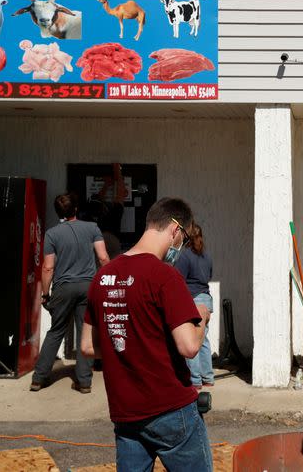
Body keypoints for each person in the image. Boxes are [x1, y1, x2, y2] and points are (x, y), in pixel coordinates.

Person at [81, 197, 213, 471]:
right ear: (175, 230)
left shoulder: (103, 277)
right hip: (171, 409)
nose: (182, 247)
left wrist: (129, 343)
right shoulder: (164, 276)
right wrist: (201, 317)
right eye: (184, 240)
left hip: (126, 413)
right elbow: (188, 346)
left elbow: (87, 347)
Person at [31, 192, 109, 393]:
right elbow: (103, 258)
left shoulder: (52, 234)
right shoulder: (92, 228)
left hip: (64, 287)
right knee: (85, 330)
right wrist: (105, 283)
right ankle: (84, 381)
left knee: (56, 331)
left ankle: (38, 378)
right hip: (88, 286)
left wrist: (46, 293)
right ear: (76, 209)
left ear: (58, 212)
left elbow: (48, 267)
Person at [175, 221, 215, 388]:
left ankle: (195, 380)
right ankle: (208, 378)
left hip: (193, 301)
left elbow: (178, 279)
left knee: (192, 340)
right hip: (206, 299)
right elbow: (210, 276)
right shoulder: (206, 256)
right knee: (203, 339)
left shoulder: (184, 255)